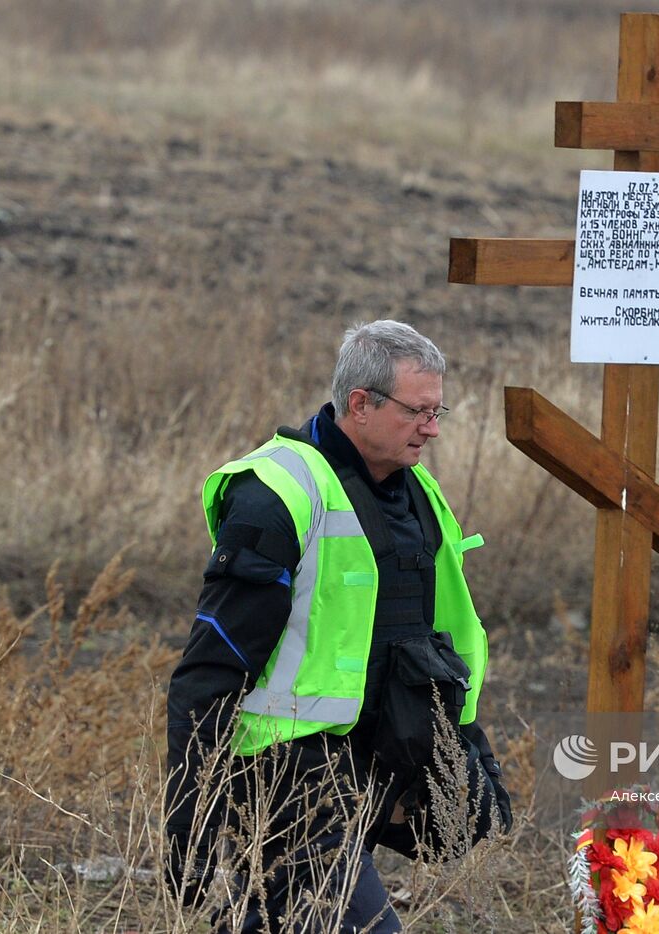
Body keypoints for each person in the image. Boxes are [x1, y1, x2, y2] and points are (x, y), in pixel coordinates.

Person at [165, 320, 510, 932]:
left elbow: (428, 642)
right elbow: (211, 667)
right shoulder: (276, 493)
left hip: (375, 763)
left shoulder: (418, 493)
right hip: (283, 773)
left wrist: (468, 751)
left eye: (439, 411)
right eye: (419, 412)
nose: (433, 428)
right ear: (361, 404)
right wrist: (188, 818)